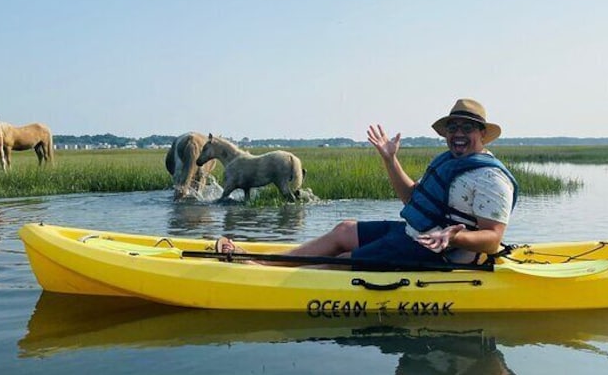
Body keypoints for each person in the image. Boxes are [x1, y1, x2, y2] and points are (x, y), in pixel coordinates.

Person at [217, 98, 518, 267]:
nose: (458, 133)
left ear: (481, 133)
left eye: (467, 127)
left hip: (439, 252)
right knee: (344, 229)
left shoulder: (490, 178)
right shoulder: (449, 162)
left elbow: (492, 239)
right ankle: (268, 265)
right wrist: (390, 160)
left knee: (345, 259)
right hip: (416, 234)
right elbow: (413, 199)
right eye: (453, 127)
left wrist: (452, 237)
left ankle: (266, 276)